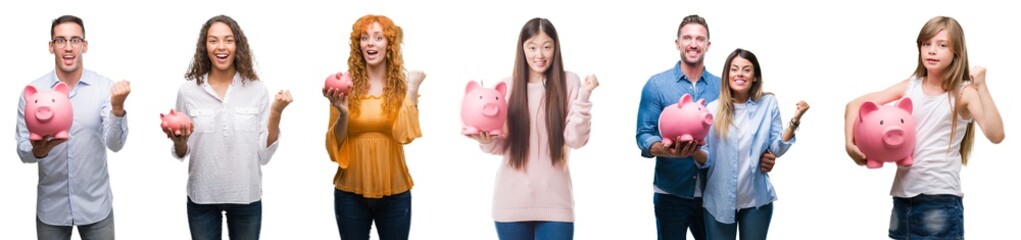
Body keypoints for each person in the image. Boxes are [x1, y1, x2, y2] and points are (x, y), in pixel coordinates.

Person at [843, 16, 1004, 239]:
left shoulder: (964, 93)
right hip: (902, 197)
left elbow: (996, 134)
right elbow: (854, 105)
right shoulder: (911, 86)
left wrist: (983, 87)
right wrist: (849, 145)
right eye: (926, 43)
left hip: (941, 198)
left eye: (942, 45)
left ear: (956, 51)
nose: (932, 50)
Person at [634, 14, 777, 240]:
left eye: (699, 39)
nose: (693, 44)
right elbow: (643, 134)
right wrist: (664, 149)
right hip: (671, 192)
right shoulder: (657, 85)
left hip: (713, 195)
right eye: (687, 38)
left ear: (707, 45)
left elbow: (743, 134)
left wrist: (766, 155)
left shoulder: (724, 90)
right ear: (677, 43)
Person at [466, 17, 597, 240]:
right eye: (532, 47)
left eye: (547, 47)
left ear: (555, 48)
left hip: (556, 203)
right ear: (522, 48)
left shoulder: (570, 82)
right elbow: (500, 146)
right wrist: (485, 139)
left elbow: (575, 139)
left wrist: (584, 95)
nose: (540, 54)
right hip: (510, 203)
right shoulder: (507, 87)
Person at [163, 14, 293, 240]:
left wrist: (276, 112)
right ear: (205, 46)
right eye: (213, 40)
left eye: (228, 40)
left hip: (246, 195)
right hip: (202, 196)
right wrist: (179, 141)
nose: (221, 47)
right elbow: (182, 152)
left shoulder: (257, 90)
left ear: (237, 46)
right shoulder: (188, 91)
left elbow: (263, 154)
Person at [16, 15, 131, 240]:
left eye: (75, 40)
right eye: (60, 40)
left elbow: (115, 145)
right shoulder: (32, 93)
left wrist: (117, 108)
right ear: (51, 46)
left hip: (96, 206)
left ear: (84, 45)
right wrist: (38, 150)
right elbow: (23, 151)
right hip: (52, 209)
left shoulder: (104, 88)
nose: (68, 48)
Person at [323, 14, 425, 240]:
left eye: (378, 37)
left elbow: (404, 135)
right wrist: (343, 113)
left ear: (389, 44)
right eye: (365, 37)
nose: (370, 43)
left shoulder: (402, 88)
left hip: (395, 193)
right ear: (357, 44)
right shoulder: (344, 84)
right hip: (349, 193)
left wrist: (411, 90)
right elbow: (334, 146)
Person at [691, 48, 809, 240]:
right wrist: (693, 150)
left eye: (746, 70)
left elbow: (776, 148)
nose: (739, 74)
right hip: (718, 201)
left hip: (756, 202)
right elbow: (706, 159)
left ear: (754, 76)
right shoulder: (711, 109)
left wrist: (794, 121)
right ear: (727, 75)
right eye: (734, 69)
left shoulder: (768, 103)